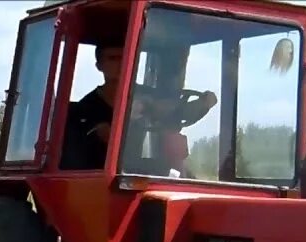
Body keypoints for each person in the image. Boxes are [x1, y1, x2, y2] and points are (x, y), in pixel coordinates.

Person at [62, 43, 217, 170]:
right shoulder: (85, 108)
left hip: (138, 171)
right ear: (99, 65)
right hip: (98, 177)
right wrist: (130, 116)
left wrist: (203, 104)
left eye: (125, 57)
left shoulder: (147, 95)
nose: (120, 63)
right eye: (113, 58)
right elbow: (106, 137)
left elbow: (176, 113)